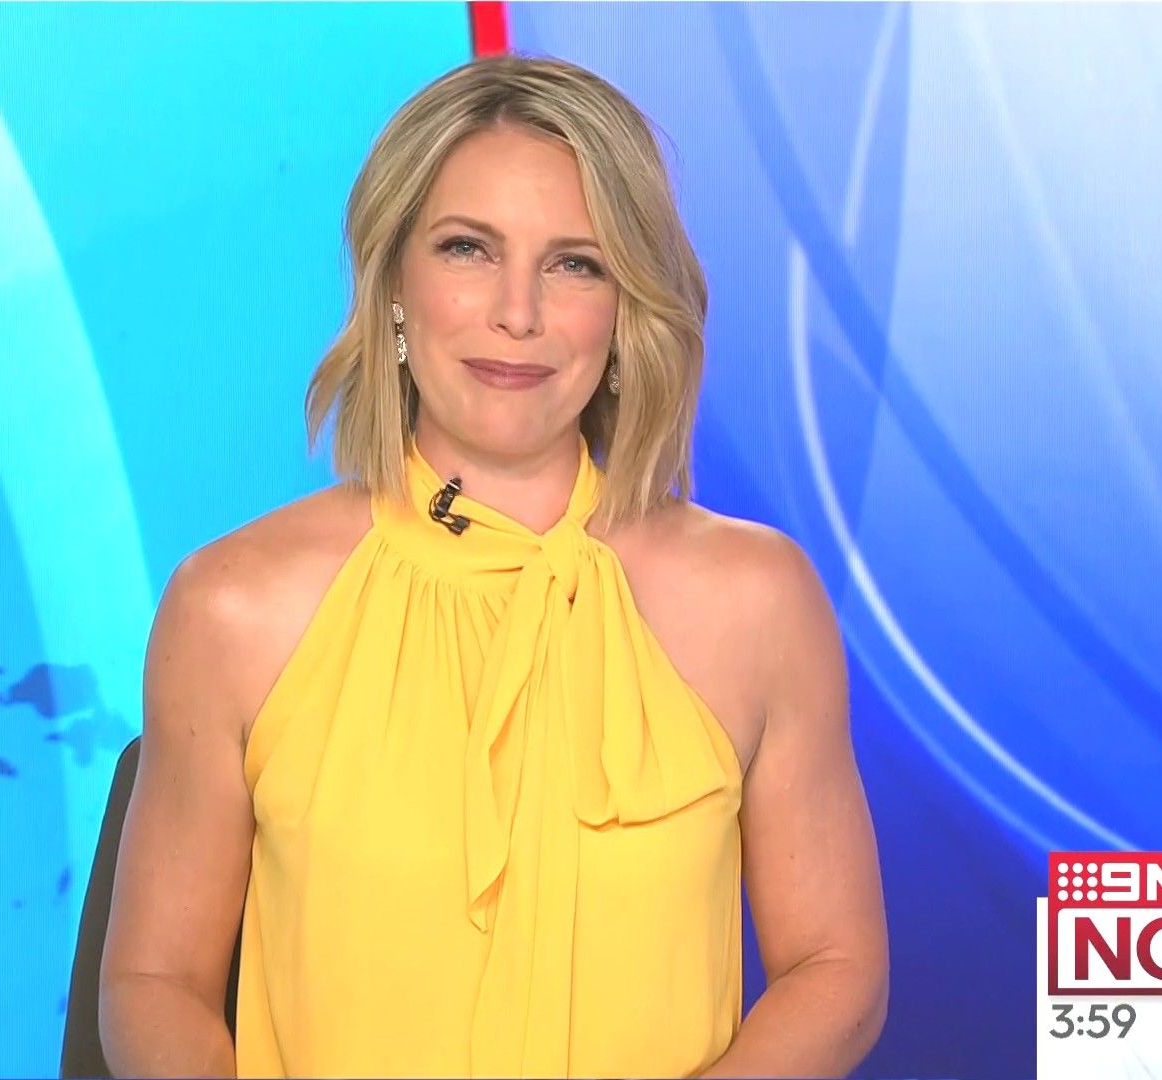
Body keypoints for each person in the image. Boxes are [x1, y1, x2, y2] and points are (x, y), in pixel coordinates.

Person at [98, 53, 887, 1079]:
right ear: (392, 284)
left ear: (625, 309)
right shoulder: (232, 607)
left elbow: (836, 968)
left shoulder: (759, 602)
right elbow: (152, 983)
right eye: (468, 249)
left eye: (575, 264)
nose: (519, 313)